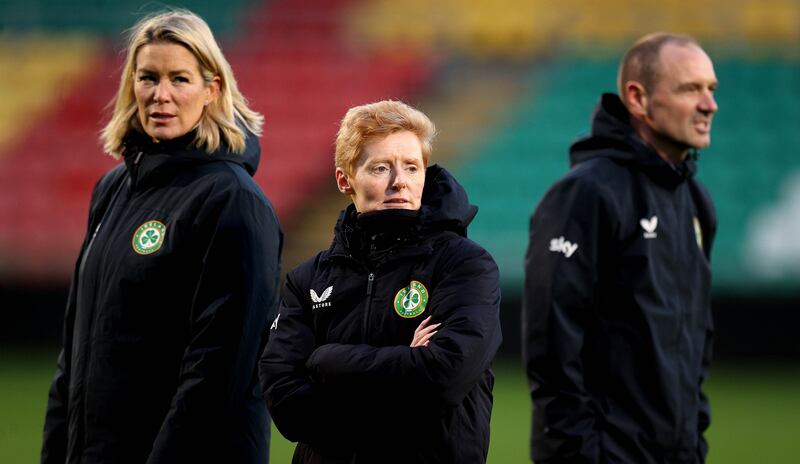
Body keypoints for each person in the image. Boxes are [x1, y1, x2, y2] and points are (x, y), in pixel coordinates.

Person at [41, 10, 282, 464]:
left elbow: (217, 377)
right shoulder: (111, 190)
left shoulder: (234, 202)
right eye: (148, 77)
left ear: (212, 89)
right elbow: (73, 355)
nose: (161, 95)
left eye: (180, 79)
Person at [260, 100, 502, 463]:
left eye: (411, 167)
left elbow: (445, 375)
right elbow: (285, 397)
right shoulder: (306, 280)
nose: (399, 181)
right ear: (345, 179)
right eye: (380, 168)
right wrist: (407, 363)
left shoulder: (466, 266)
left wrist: (327, 359)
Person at [522, 33, 718, 463]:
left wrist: (694, 437)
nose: (710, 105)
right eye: (691, 89)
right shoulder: (584, 194)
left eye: (711, 89)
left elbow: (695, 337)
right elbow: (552, 345)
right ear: (637, 97)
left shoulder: (696, 201)